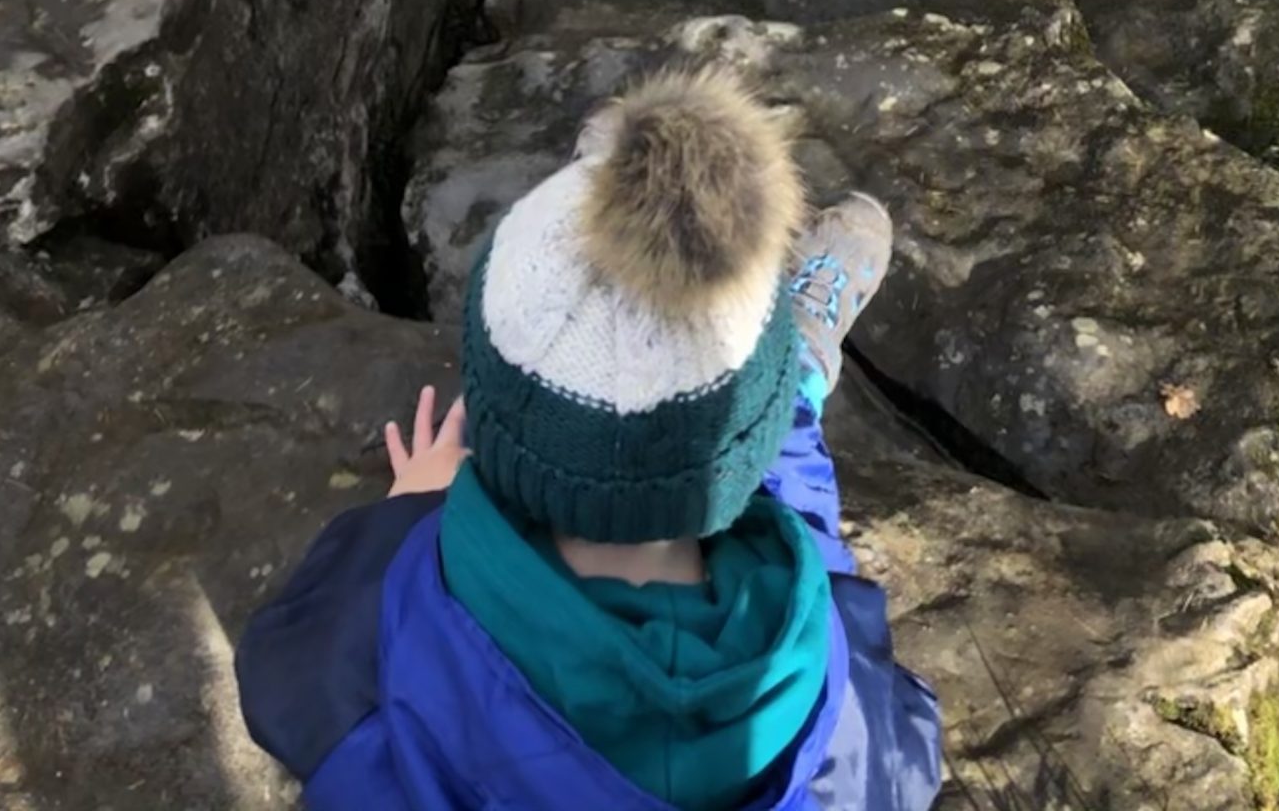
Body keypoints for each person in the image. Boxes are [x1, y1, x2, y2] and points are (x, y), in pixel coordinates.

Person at [236, 68, 943, 810]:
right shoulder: (848, 714)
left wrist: (408, 513)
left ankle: (584, 273)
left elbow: (293, 666)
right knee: (801, 550)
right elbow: (903, 753)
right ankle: (790, 374)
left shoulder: (365, 667)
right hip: (747, 517)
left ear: (492, 424)